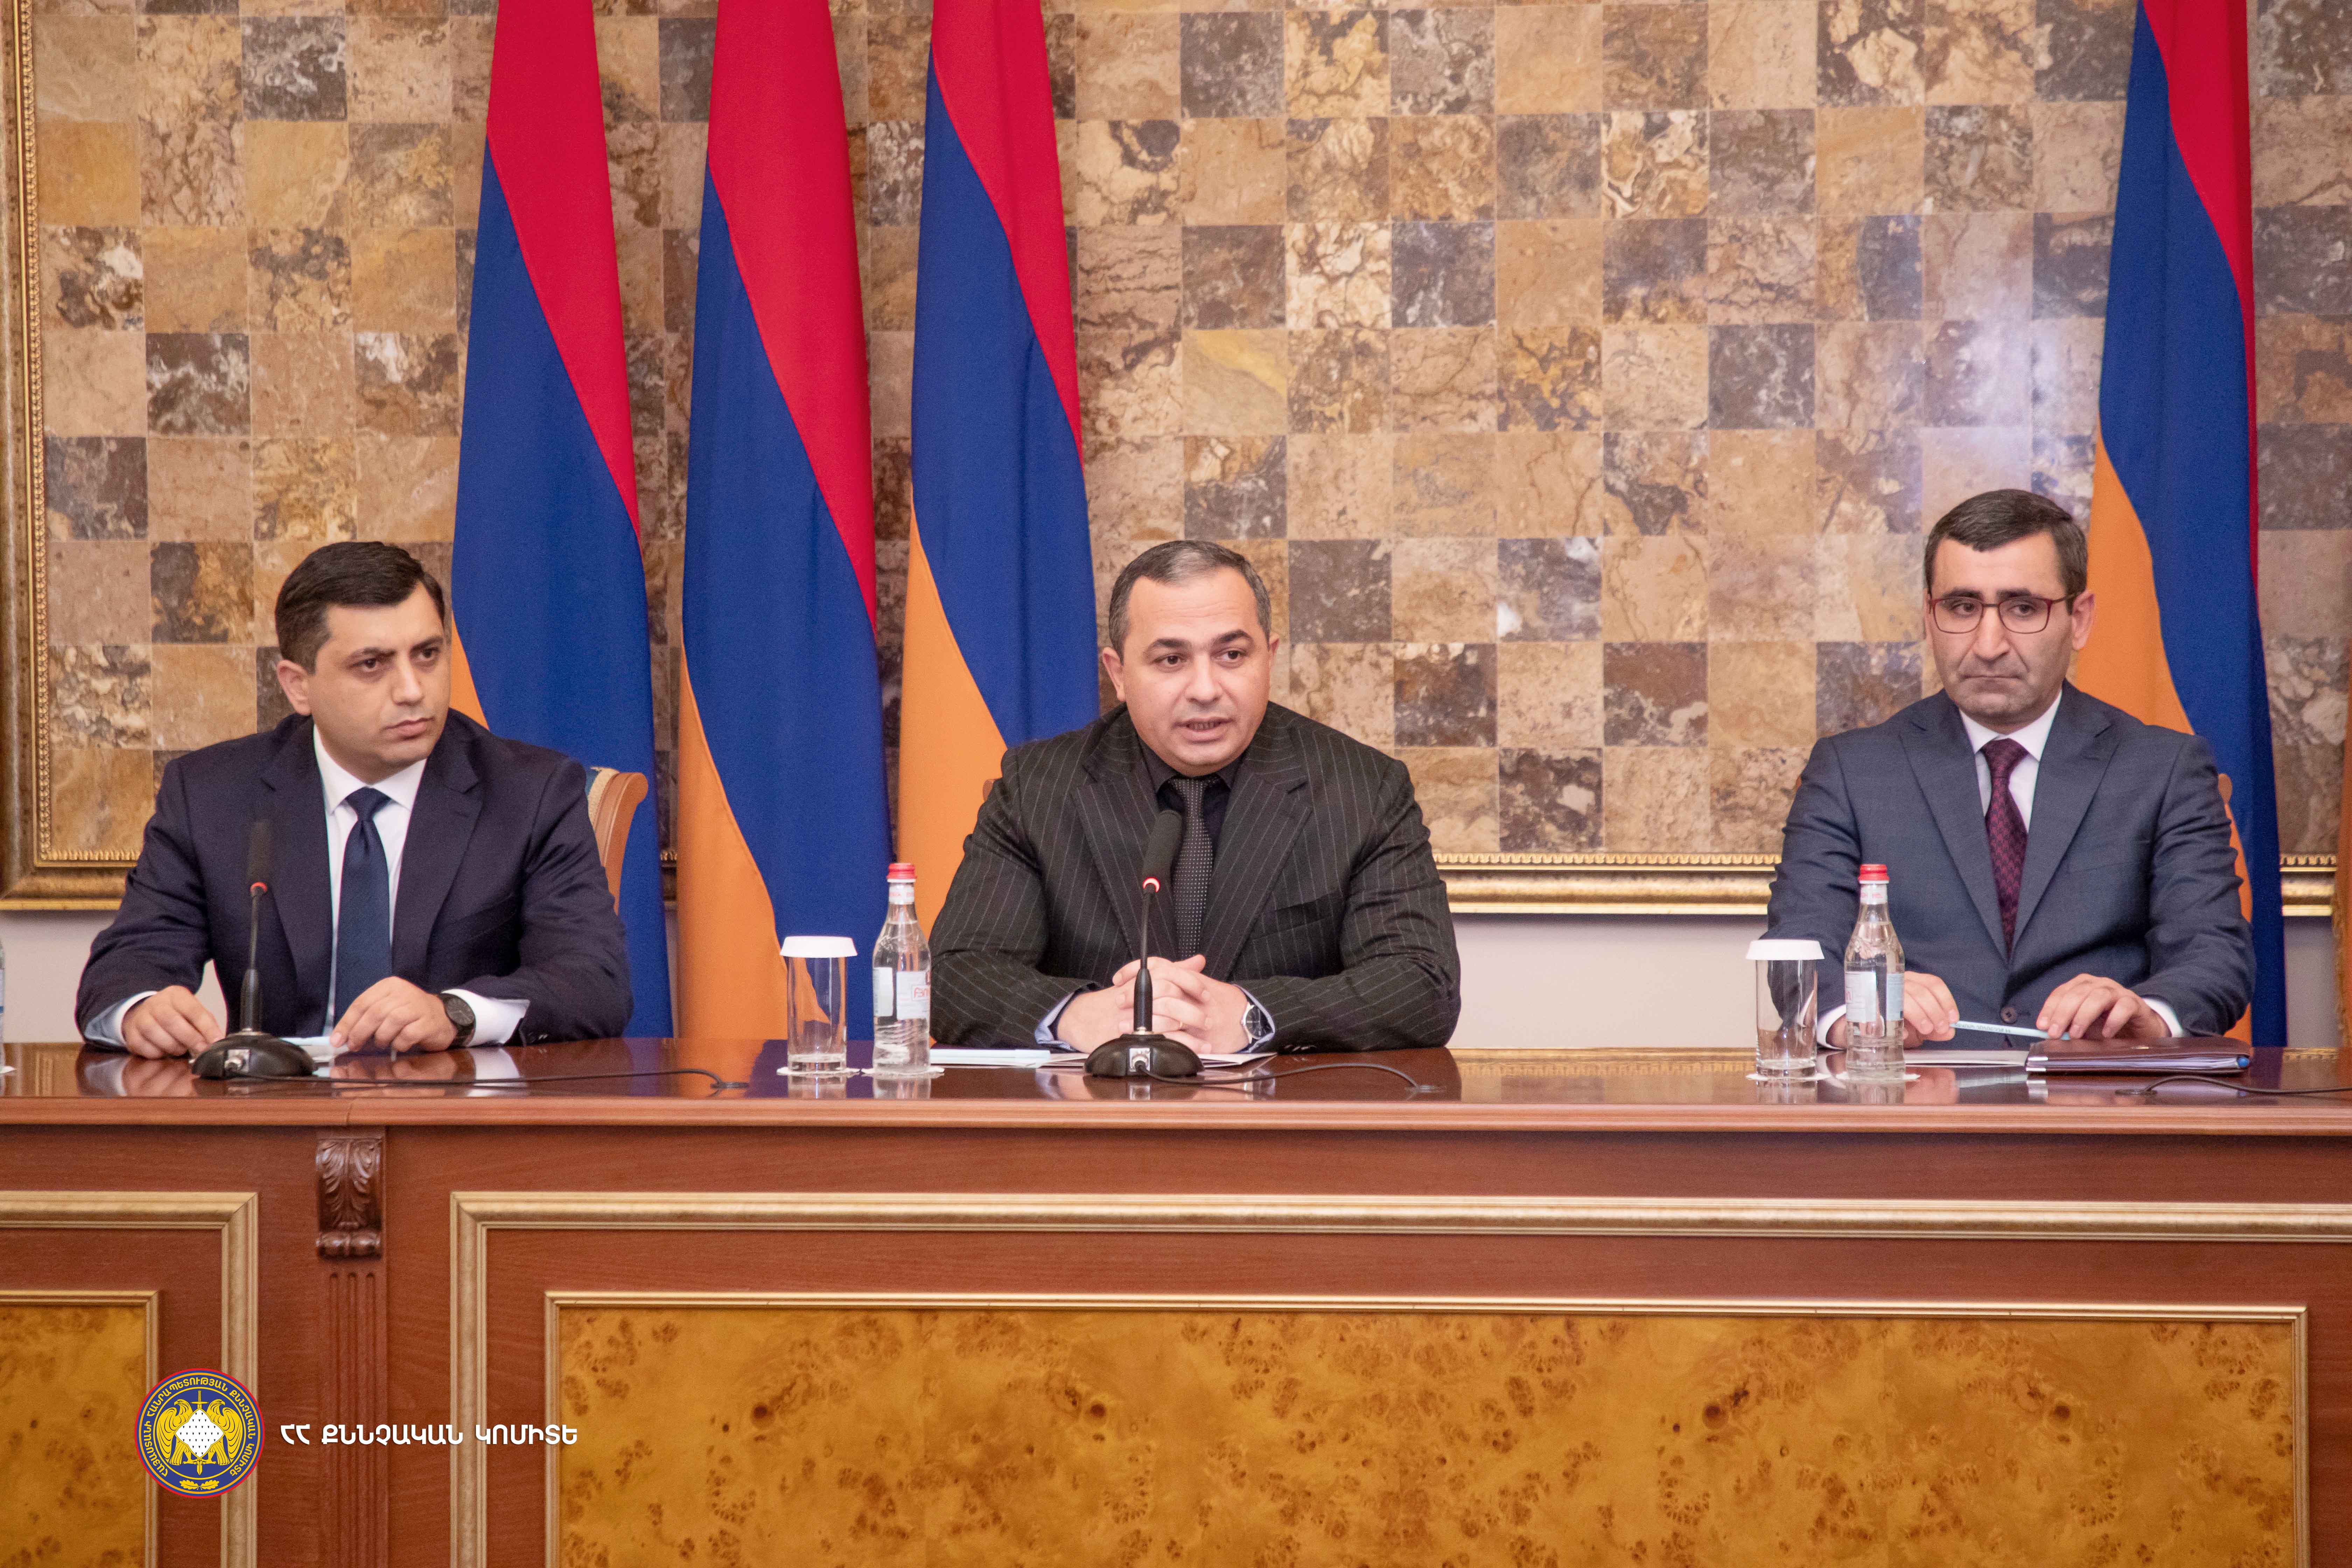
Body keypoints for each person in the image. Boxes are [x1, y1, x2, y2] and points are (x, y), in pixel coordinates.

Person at [76, 542, 631, 1057]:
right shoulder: (213, 795)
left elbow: (593, 982)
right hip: (275, 1112)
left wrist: (455, 1013)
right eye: (372, 664)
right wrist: (141, 1010)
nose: (412, 690)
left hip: (461, 1111)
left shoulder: (530, 793)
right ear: (298, 686)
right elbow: (126, 965)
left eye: (427, 654)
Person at [931, 540, 1461, 1053]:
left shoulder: (1363, 788)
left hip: (1281, 1110)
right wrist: (1080, 1015)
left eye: (1232, 655)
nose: (1205, 689)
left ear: (1269, 658)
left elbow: (1422, 984)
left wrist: (1254, 1015)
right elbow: (956, 975)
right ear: (1119, 674)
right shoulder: (1038, 788)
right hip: (1095, 1107)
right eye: (1171, 660)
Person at [1767, 489, 2252, 1045]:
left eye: (2023, 608)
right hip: (1913, 1087)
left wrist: (2149, 1015)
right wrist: (1857, 1017)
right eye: (1962, 607)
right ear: (1929, 616)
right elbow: (1798, 950)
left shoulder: (2164, 769)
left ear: (2079, 620)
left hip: (2096, 1087)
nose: (1989, 645)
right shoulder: (1850, 772)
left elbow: (2214, 955)